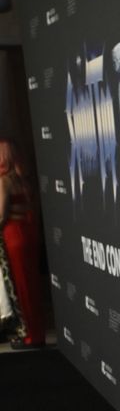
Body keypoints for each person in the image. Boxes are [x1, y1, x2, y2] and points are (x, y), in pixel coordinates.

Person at [0, 139, 44, 349]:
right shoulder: (23, 180)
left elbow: (1, 215)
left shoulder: (4, 181)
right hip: (28, 233)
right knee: (32, 285)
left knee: (21, 287)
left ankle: (30, 336)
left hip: (13, 236)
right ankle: (37, 333)